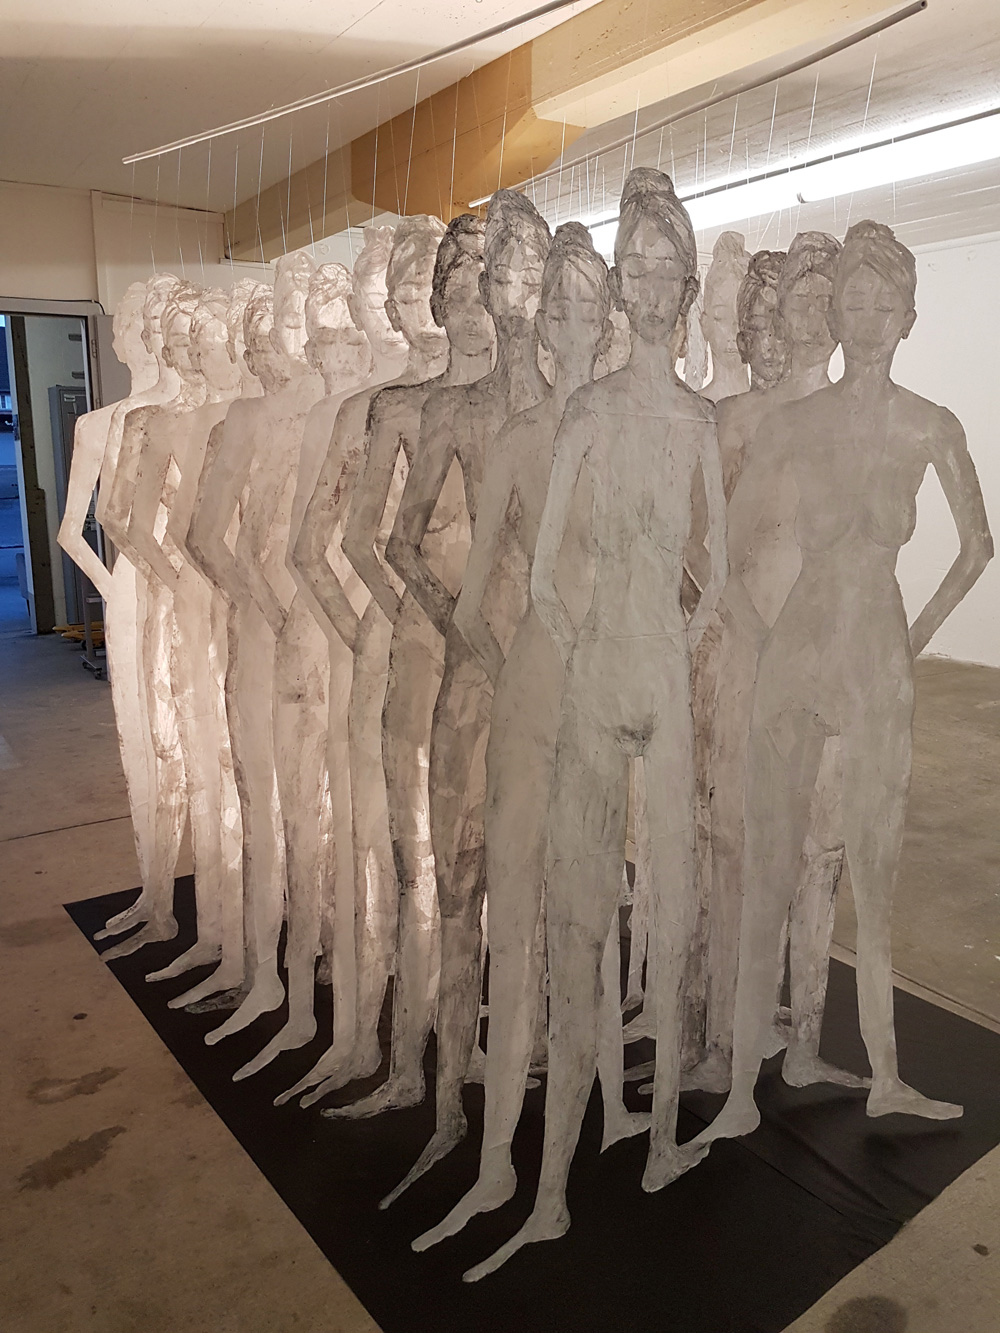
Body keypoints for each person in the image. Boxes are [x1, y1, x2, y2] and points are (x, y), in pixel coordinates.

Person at [464, 169, 728, 1280]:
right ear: (625, 286)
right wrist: (584, 657)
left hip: (657, 680)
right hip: (593, 681)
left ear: (685, 286)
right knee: (576, 928)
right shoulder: (588, 412)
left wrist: (679, 644)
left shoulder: (698, 421)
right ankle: (549, 1190)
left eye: (668, 270)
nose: (651, 287)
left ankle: (659, 1138)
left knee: (669, 911)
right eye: (639, 270)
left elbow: (714, 573)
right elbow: (538, 574)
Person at [694, 220, 992, 1155]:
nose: (864, 319)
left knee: (872, 863)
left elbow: (977, 547)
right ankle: (742, 1084)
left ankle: (887, 1073)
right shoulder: (794, 425)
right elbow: (718, 547)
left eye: (881, 303)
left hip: (875, 655)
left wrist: (912, 638)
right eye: (851, 301)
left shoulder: (930, 424)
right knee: (771, 864)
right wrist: (762, 639)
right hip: (799, 651)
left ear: (908, 316)